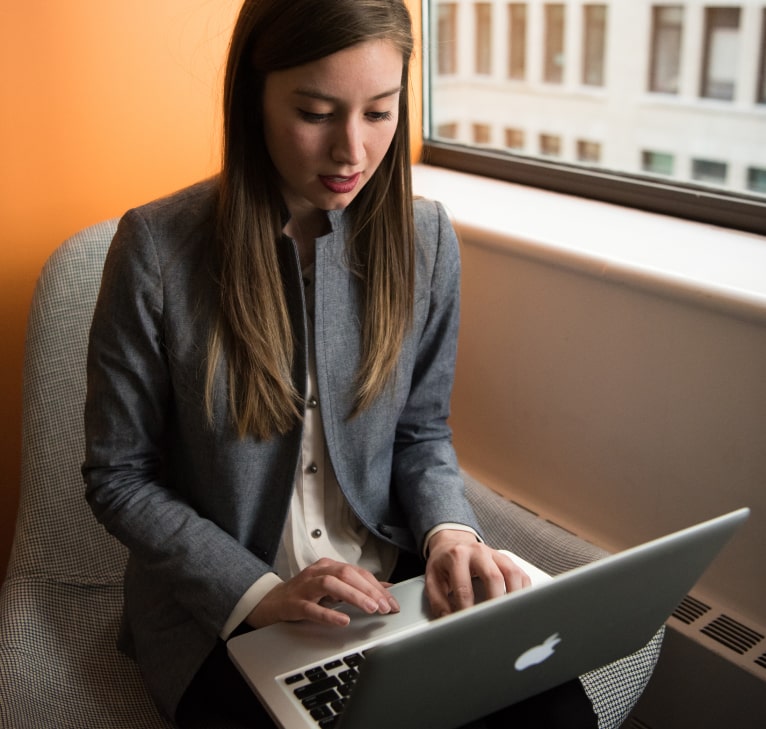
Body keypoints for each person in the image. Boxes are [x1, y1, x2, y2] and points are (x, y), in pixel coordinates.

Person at [83, 1, 597, 726]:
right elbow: (118, 476)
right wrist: (259, 593)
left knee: (559, 713)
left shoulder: (426, 241)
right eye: (317, 112)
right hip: (223, 613)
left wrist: (450, 530)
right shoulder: (155, 250)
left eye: (379, 112)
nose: (352, 152)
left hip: (391, 581)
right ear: (252, 96)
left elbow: (420, 434)